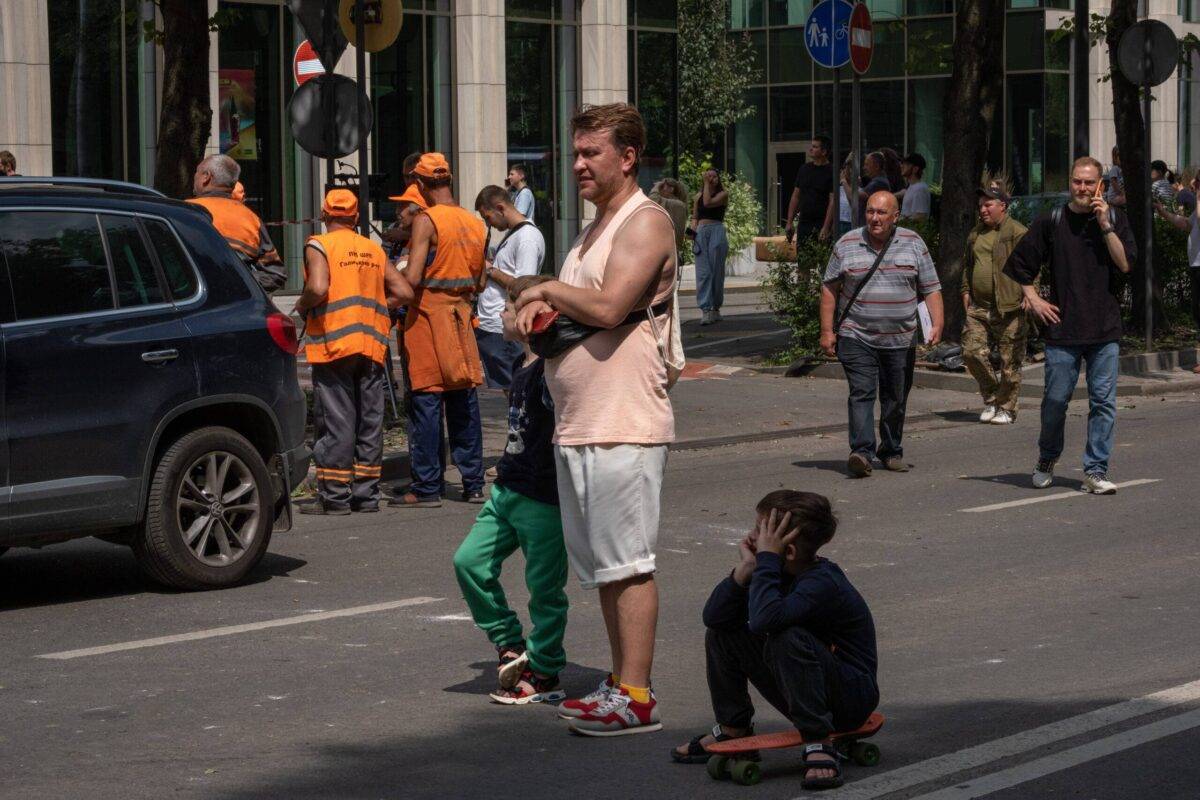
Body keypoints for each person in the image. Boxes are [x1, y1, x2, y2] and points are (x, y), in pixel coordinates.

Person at [513, 102, 678, 737]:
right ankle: (619, 683)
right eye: (575, 152)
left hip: (624, 420)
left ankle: (636, 697)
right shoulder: (593, 229)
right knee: (605, 567)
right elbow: (552, 320)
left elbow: (609, 306)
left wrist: (546, 290)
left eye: (591, 153)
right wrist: (530, 313)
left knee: (629, 563)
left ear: (628, 157)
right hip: (580, 422)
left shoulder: (645, 222)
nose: (577, 163)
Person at [671, 491, 878, 792]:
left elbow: (766, 620)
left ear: (789, 551)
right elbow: (714, 618)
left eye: (761, 531)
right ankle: (733, 728)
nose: (753, 536)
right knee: (724, 632)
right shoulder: (776, 570)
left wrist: (766, 561)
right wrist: (743, 573)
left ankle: (818, 740)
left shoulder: (821, 582)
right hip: (807, 689)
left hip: (849, 700)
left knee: (787, 636)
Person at [453, 277, 568, 705]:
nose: (500, 313)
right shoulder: (521, 367)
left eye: (509, 306)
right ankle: (509, 643)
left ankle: (545, 671)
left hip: (544, 498)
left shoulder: (552, 369)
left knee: (545, 591)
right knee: (468, 562)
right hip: (507, 491)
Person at [1004, 156, 1135, 495]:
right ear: (1070, 182)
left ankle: (1095, 470)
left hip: (1104, 330)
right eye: (1077, 181)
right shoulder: (1053, 220)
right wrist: (1032, 298)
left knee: (1103, 402)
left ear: (1100, 186)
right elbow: (1020, 264)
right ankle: (1047, 458)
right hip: (1062, 330)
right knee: (1056, 401)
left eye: (1089, 183)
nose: (1082, 188)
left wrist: (1105, 224)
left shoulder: (1115, 219)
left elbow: (1124, 264)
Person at [295, 189, 412, 515]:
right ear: (357, 217)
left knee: (337, 419)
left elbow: (318, 288)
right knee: (369, 420)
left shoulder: (320, 244)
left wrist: (301, 307)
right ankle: (366, 495)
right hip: (371, 345)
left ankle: (334, 497)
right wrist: (375, 308)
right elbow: (404, 291)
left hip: (335, 345)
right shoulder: (372, 249)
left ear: (324, 214)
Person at [820, 191, 944, 478]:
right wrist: (827, 331)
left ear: (895, 216)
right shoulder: (847, 243)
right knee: (861, 392)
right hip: (856, 334)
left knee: (895, 397)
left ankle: (891, 450)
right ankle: (861, 452)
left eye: (881, 213)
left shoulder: (914, 243)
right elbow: (829, 288)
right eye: (870, 212)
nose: (874, 218)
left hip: (901, 338)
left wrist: (937, 323)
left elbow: (931, 287)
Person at [392, 152, 488, 508]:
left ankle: (427, 488)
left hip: (427, 320)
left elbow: (413, 277)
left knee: (427, 404)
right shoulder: (475, 223)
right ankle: (473, 484)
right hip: (461, 320)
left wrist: (391, 277)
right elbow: (479, 281)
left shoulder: (427, 220)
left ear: (419, 184)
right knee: (463, 403)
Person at [961, 178, 1029, 425]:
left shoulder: (1017, 232)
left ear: (1003, 206)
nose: (983, 209)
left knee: (1011, 362)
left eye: (988, 205)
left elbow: (1032, 265)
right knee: (970, 352)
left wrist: (1029, 295)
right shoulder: (975, 234)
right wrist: (965, 289)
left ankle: (1007, 408)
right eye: (980, 205)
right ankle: (992, 397)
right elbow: (968, 265)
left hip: (1009, 306)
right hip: (979, 306)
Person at [474, 184, 546, 391]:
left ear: (500, 207)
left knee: (515, 389)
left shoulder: (527, 238)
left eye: (488, 217)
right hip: (495, 326)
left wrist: (490, 270)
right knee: (509, 391)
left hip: (505, 327)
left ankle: (518, 424)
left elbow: (525, 286)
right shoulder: (516, 234)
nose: (488, 224)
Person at [187, 154, 286, 293]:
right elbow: (275, 274)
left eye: (196, 172)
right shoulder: (250, 218)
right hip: (237, 305)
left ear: (206, 177)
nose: (194, 177)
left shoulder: (185, 212)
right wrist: (237, 282)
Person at [1154, 174, 1200, 336]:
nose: (1193, 184)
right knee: (1197, 311)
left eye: (1197, 182)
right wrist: (1164, 213)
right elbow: (1187, 223)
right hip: (1195, 264)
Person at [691, 168, 729, 326]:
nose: (711, 178)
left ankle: (715, 308)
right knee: (703, 272)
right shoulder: (698, 196)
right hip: (701, 232)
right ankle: (706, 309)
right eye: (708, 176)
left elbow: (708, 203)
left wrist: (706, 184)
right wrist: (692, 232)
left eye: (714, 176)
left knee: (716, 272)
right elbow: (695, 216)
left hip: (716, 230)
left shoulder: (723, 194)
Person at [784, 136, 835, 245]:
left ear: (824, 151)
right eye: (811, 146)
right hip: (804, 222)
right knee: (803, 258)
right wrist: (789, 222)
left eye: (815, 147)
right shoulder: (804, 169)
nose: (811, 149)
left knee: (821, 258)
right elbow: (795, 196)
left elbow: (833, 201)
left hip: (821, 222)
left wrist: (826, 227)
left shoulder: (831, 171)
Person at [650, 178, 690, 260]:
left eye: (662, 187)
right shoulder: (679, 204)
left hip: (667, 249)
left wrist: (657, 186)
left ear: (671, 189)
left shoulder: (674, 204)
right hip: (672, 249)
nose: (659, 190)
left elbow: (652, 199)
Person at [851, 152, 892, 225]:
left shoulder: (879, 182)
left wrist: (844, 181)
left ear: (876, 166)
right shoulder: (877, 181)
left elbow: (855, 196)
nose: (864, 168)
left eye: (867, 164)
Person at [899, 153, 931, 221]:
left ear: (915, 169)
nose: (902, 166)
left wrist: (901, 220)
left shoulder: (920, 189)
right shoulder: (912, 186)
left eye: (906, 164)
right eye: (902, 163)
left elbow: (921, 216)